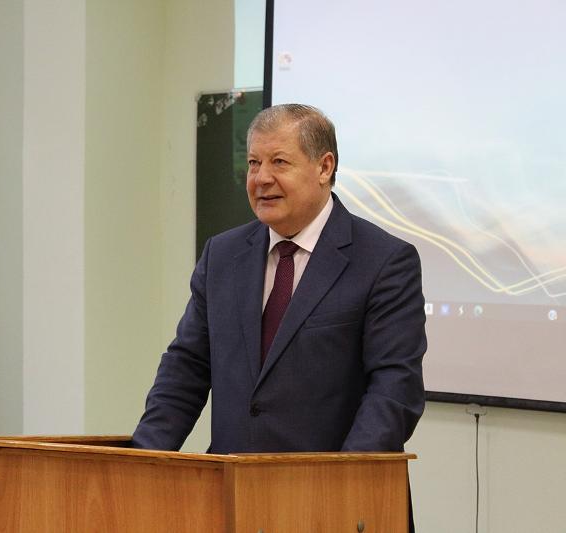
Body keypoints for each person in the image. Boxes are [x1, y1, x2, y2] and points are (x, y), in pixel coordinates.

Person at [131, 103, 426, 455]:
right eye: (254, 163)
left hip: (329, 484)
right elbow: (187, 367)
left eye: (279, 162)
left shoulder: (384, 261)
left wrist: (341, 477)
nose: (261, 178)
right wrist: (142, 461)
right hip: (232, 481)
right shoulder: (222, 255)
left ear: (324, 167)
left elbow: (394, 388)